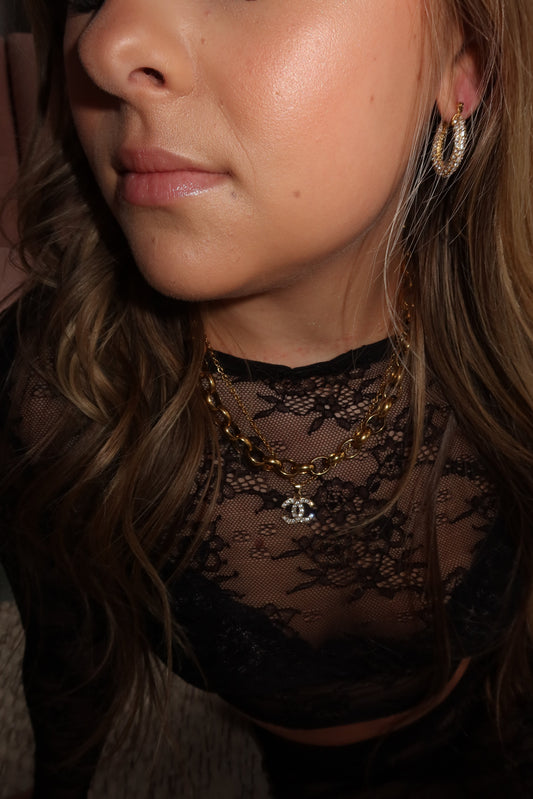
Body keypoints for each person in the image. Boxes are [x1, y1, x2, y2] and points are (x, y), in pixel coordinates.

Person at [1, 0, 533, 796]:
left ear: (465, 67)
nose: (106, 44)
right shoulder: (51, 395)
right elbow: (67, 664)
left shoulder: (514, 350)